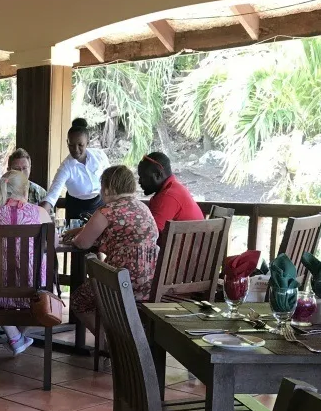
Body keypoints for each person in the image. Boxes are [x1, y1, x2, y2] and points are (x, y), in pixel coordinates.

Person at [63, 165, 159, 335]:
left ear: (108, 188)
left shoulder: (107, 210)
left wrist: (76, 237)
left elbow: (84, 243)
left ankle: (110, 345)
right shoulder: (143, 208)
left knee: (79, 301)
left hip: (120, 281)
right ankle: (126, 341)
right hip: (150, 282)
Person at [0, 171, 52, 356]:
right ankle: (17, 336)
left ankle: (15, 335)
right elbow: (54, 243)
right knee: (36, 280)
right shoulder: (40, 213)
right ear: (26, 190)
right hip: (33, 292)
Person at [43, 118, 110, 218]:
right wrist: (39, 214)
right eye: (71, 145)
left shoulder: (99, 156)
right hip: (76, 208)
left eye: (80, 145)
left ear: (88, 142)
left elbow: (110, 180)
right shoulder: (66, 167)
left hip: (99, 203)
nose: (76, 149)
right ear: (67, 143)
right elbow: (53, 194)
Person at [138, 152, 203, 232]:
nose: (139, 181)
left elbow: (150, 235)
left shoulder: (168, 196)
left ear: (158, 175)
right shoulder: (175, 188)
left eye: (143, 177)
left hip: (184, 244)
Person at [0, 148, 50, 220]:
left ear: (30, 168)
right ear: (9, 170)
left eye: (24, 168)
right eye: (17, 169)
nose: (21, 172)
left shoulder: (40, 192)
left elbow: (51, 221)